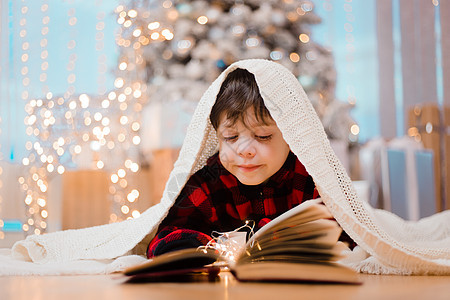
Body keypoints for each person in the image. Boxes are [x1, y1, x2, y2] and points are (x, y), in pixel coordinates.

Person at [147, 68, 351, 258]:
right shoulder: (208, 182)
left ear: (290, 136)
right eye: (231, 137)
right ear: (217, 136)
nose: (244, 150)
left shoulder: (312, 177)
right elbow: (165, 239)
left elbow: (352, 233)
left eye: (262, 136)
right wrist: (202, 248)